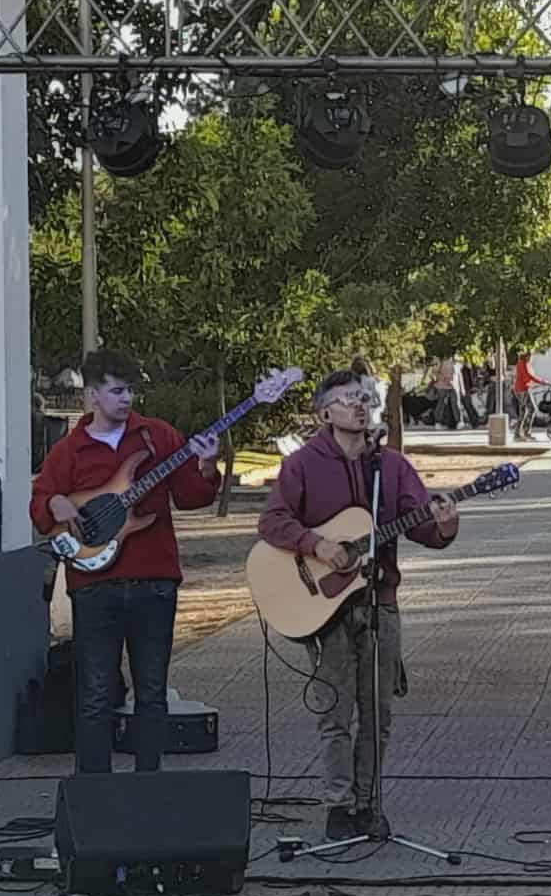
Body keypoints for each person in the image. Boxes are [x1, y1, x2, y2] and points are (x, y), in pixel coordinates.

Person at [257, 370, 460, 841]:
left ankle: (369, 802)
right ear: (324, 413)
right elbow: (272, 521)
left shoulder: (390, 466)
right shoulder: (304, 464)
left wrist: (445, 524)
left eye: (366, 398)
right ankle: (338, 803)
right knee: (335, 712)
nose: (360, 405)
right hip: (324, 608)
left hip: (379, 602)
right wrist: (316, 545)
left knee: (377, 712)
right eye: (349, 399)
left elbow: (420, 527)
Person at [30, 349, 220, 774]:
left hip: (154, 580)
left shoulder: (159, 437)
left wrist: (206, 466)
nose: (126, 399)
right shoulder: (69, 450)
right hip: (94, 585)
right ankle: (95, 793)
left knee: (151, 693)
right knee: (96, 694)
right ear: (93, 395)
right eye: (117, 391)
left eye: (131, 390)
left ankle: (147, 787)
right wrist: (56, 502)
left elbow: (190, 497)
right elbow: (41, 506)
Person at [511, 350, 551, 439]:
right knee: (532, 409)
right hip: (522, 390)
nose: (532, 358)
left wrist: (538, 383)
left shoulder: (526, 363)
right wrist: (544, 382)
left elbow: (530, 377)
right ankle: (525, 433)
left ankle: (519, 434)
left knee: (523, 412)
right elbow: (530, 376)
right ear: (527, 356)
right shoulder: (523, 363)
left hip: (523, 389)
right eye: (530, 356)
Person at [351, 355, 386, 432]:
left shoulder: (350, 381)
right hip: (370, 412)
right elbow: (378, 395)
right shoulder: (371, 380)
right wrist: (380, 405)